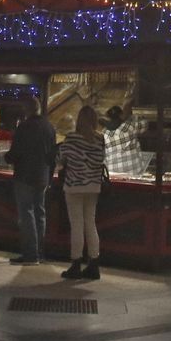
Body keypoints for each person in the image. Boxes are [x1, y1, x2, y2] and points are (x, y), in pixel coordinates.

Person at [5, 97, 56, 266]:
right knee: (40, 213)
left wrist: (7, 157)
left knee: (27, 214)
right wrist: (49, 176)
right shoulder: (49, 127)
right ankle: (40, 253)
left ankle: (30, 254)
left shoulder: (24, 127)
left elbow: (14, 153)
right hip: (42, 175)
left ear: (26, 110)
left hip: (25, 176)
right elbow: (52, 155)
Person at [58, 105, 106, 280]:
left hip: (74, 186)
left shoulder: (71, 138)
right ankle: (94, 264)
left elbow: (61, 160)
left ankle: (76, 263)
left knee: (77, 225)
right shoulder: (100, 139)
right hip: (93, 186)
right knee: (90, 224)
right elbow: (101, 160)